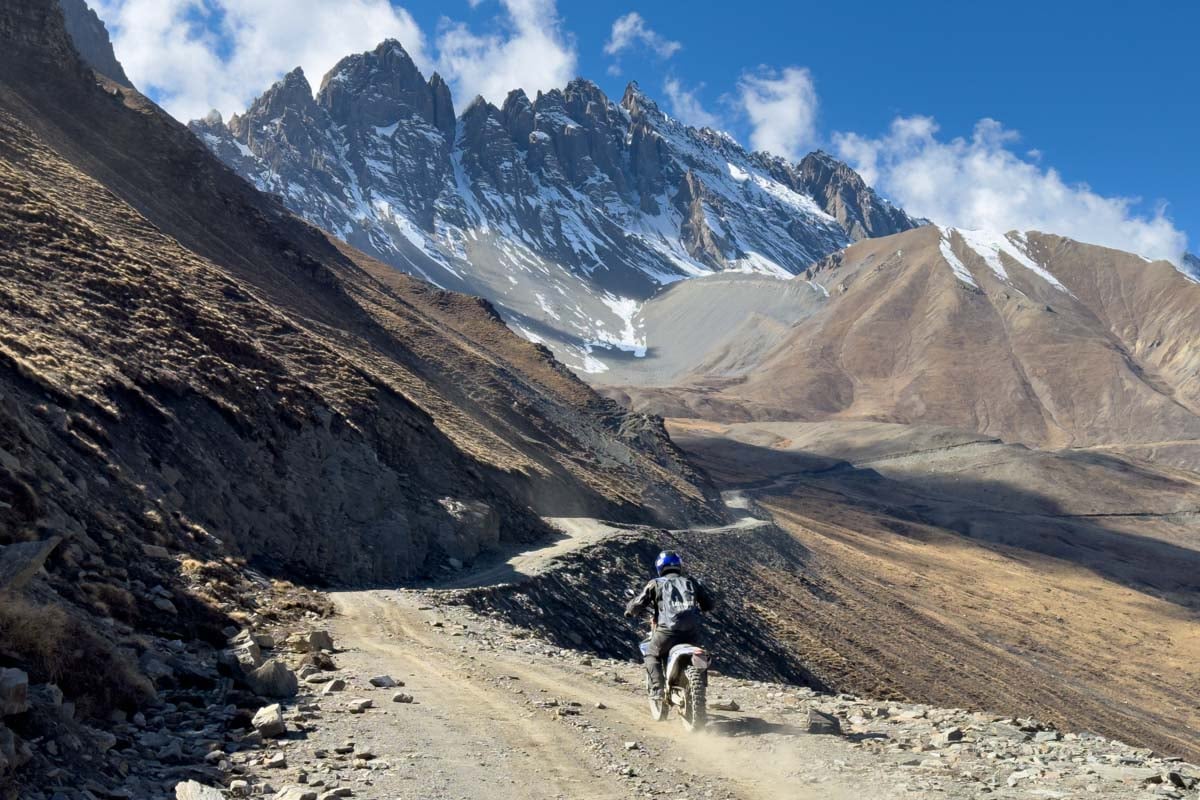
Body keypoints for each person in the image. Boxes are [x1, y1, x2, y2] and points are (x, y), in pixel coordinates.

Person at [624, 550, 714, 700]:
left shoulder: (656, 583)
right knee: (699, 653)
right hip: (691, 632)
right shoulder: (691, 582)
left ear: (660, 567)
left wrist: (629, 611)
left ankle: (657, 689)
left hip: (667, 631)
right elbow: (709, 605)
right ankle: (700, 690)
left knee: (651, 653)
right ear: (679, 566)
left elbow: (638, 604)